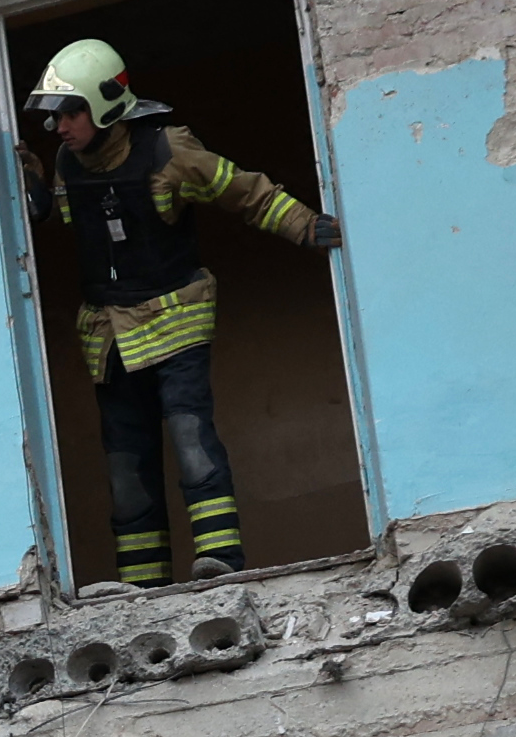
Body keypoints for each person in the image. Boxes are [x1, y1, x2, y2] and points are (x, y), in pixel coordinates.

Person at [22, 35, 339, 586]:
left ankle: (221, 566)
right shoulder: (67, 165)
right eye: (56, 117)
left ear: (103, 105)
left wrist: (308, 227)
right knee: (126, 469)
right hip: (110, 339)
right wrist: (26, 180)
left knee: (191, 441)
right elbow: (58, 215)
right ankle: (141, 587)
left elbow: (248, 193)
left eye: (69, 113)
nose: (59, 128)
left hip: (174, 326)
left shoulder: (169, 151)